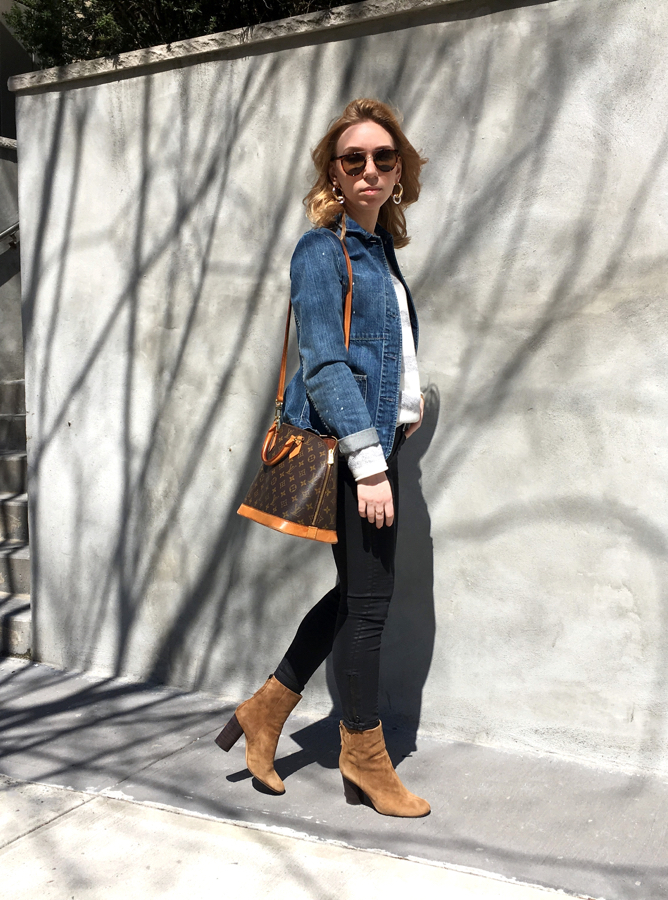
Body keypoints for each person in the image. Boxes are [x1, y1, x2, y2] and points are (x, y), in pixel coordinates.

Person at [216, 98, 430, 818]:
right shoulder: (321, 248)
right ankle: (364, 759)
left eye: (384, 158)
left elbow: (378, 351)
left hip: (377, 443)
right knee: (369, 609)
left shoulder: (379, 251)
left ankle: (265, 712)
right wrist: (370, 462)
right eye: (353, 160)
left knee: (355, 598)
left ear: (400, 171)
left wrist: (411, 398)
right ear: (333, 175)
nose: (370, 169)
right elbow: (323, 364)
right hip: (354, 455)